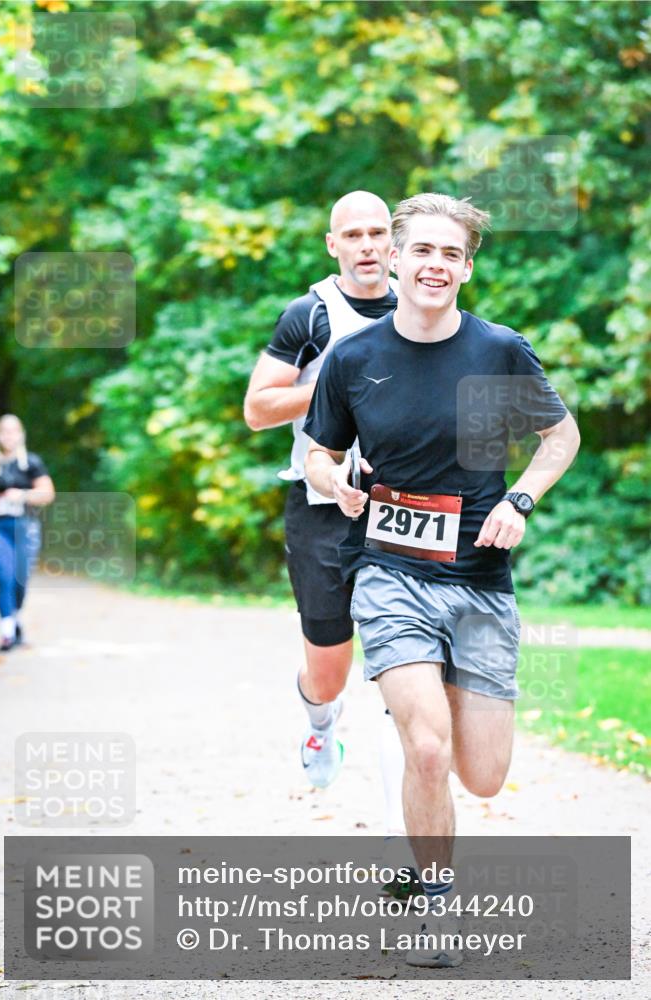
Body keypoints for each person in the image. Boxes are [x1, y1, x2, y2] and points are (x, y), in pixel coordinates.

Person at [303, 192, 580, 966]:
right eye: (421, 250)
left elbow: (561, 436)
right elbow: (320, 455)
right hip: (389, 571)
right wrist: (336, 487)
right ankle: (435, 908)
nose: (435, 265)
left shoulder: (498, 350)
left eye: (451, 254)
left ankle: (419, 727)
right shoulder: (354, 359)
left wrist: (520, 499)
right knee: (426, 748)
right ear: (393, 258)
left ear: (466, 267)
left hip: (480, 579)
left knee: (483, 776)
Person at [244, 191, 400, 789]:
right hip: (321, 505)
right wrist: (339, 386)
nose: (366, 245)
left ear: (394, 242)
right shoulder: (310, 314)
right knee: (330, 672)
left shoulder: (422, 309)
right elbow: (257, 408)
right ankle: (319, 722)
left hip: (400, 506)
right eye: (352, 235)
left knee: (405, 661)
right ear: (333, 246)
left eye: (377, 233)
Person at [0, 414, 55, 651]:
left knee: (20, 580)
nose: (8, 436)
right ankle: (7, 632)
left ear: (21, 434)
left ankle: (14, 619)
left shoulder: (31, 463)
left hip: (25, 526)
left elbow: (47, 494)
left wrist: (23, 495)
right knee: (4, 576)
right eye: (4, 431)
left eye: (13, 431)